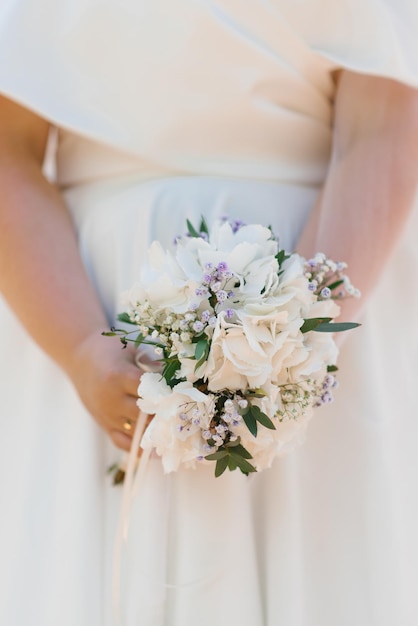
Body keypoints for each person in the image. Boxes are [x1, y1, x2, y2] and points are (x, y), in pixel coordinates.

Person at [1, 1, 418, 625]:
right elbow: (9, 148)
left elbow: (383, 122)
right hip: (84, 295)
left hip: (320, 271)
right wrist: (81, 348)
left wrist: (296, 338)